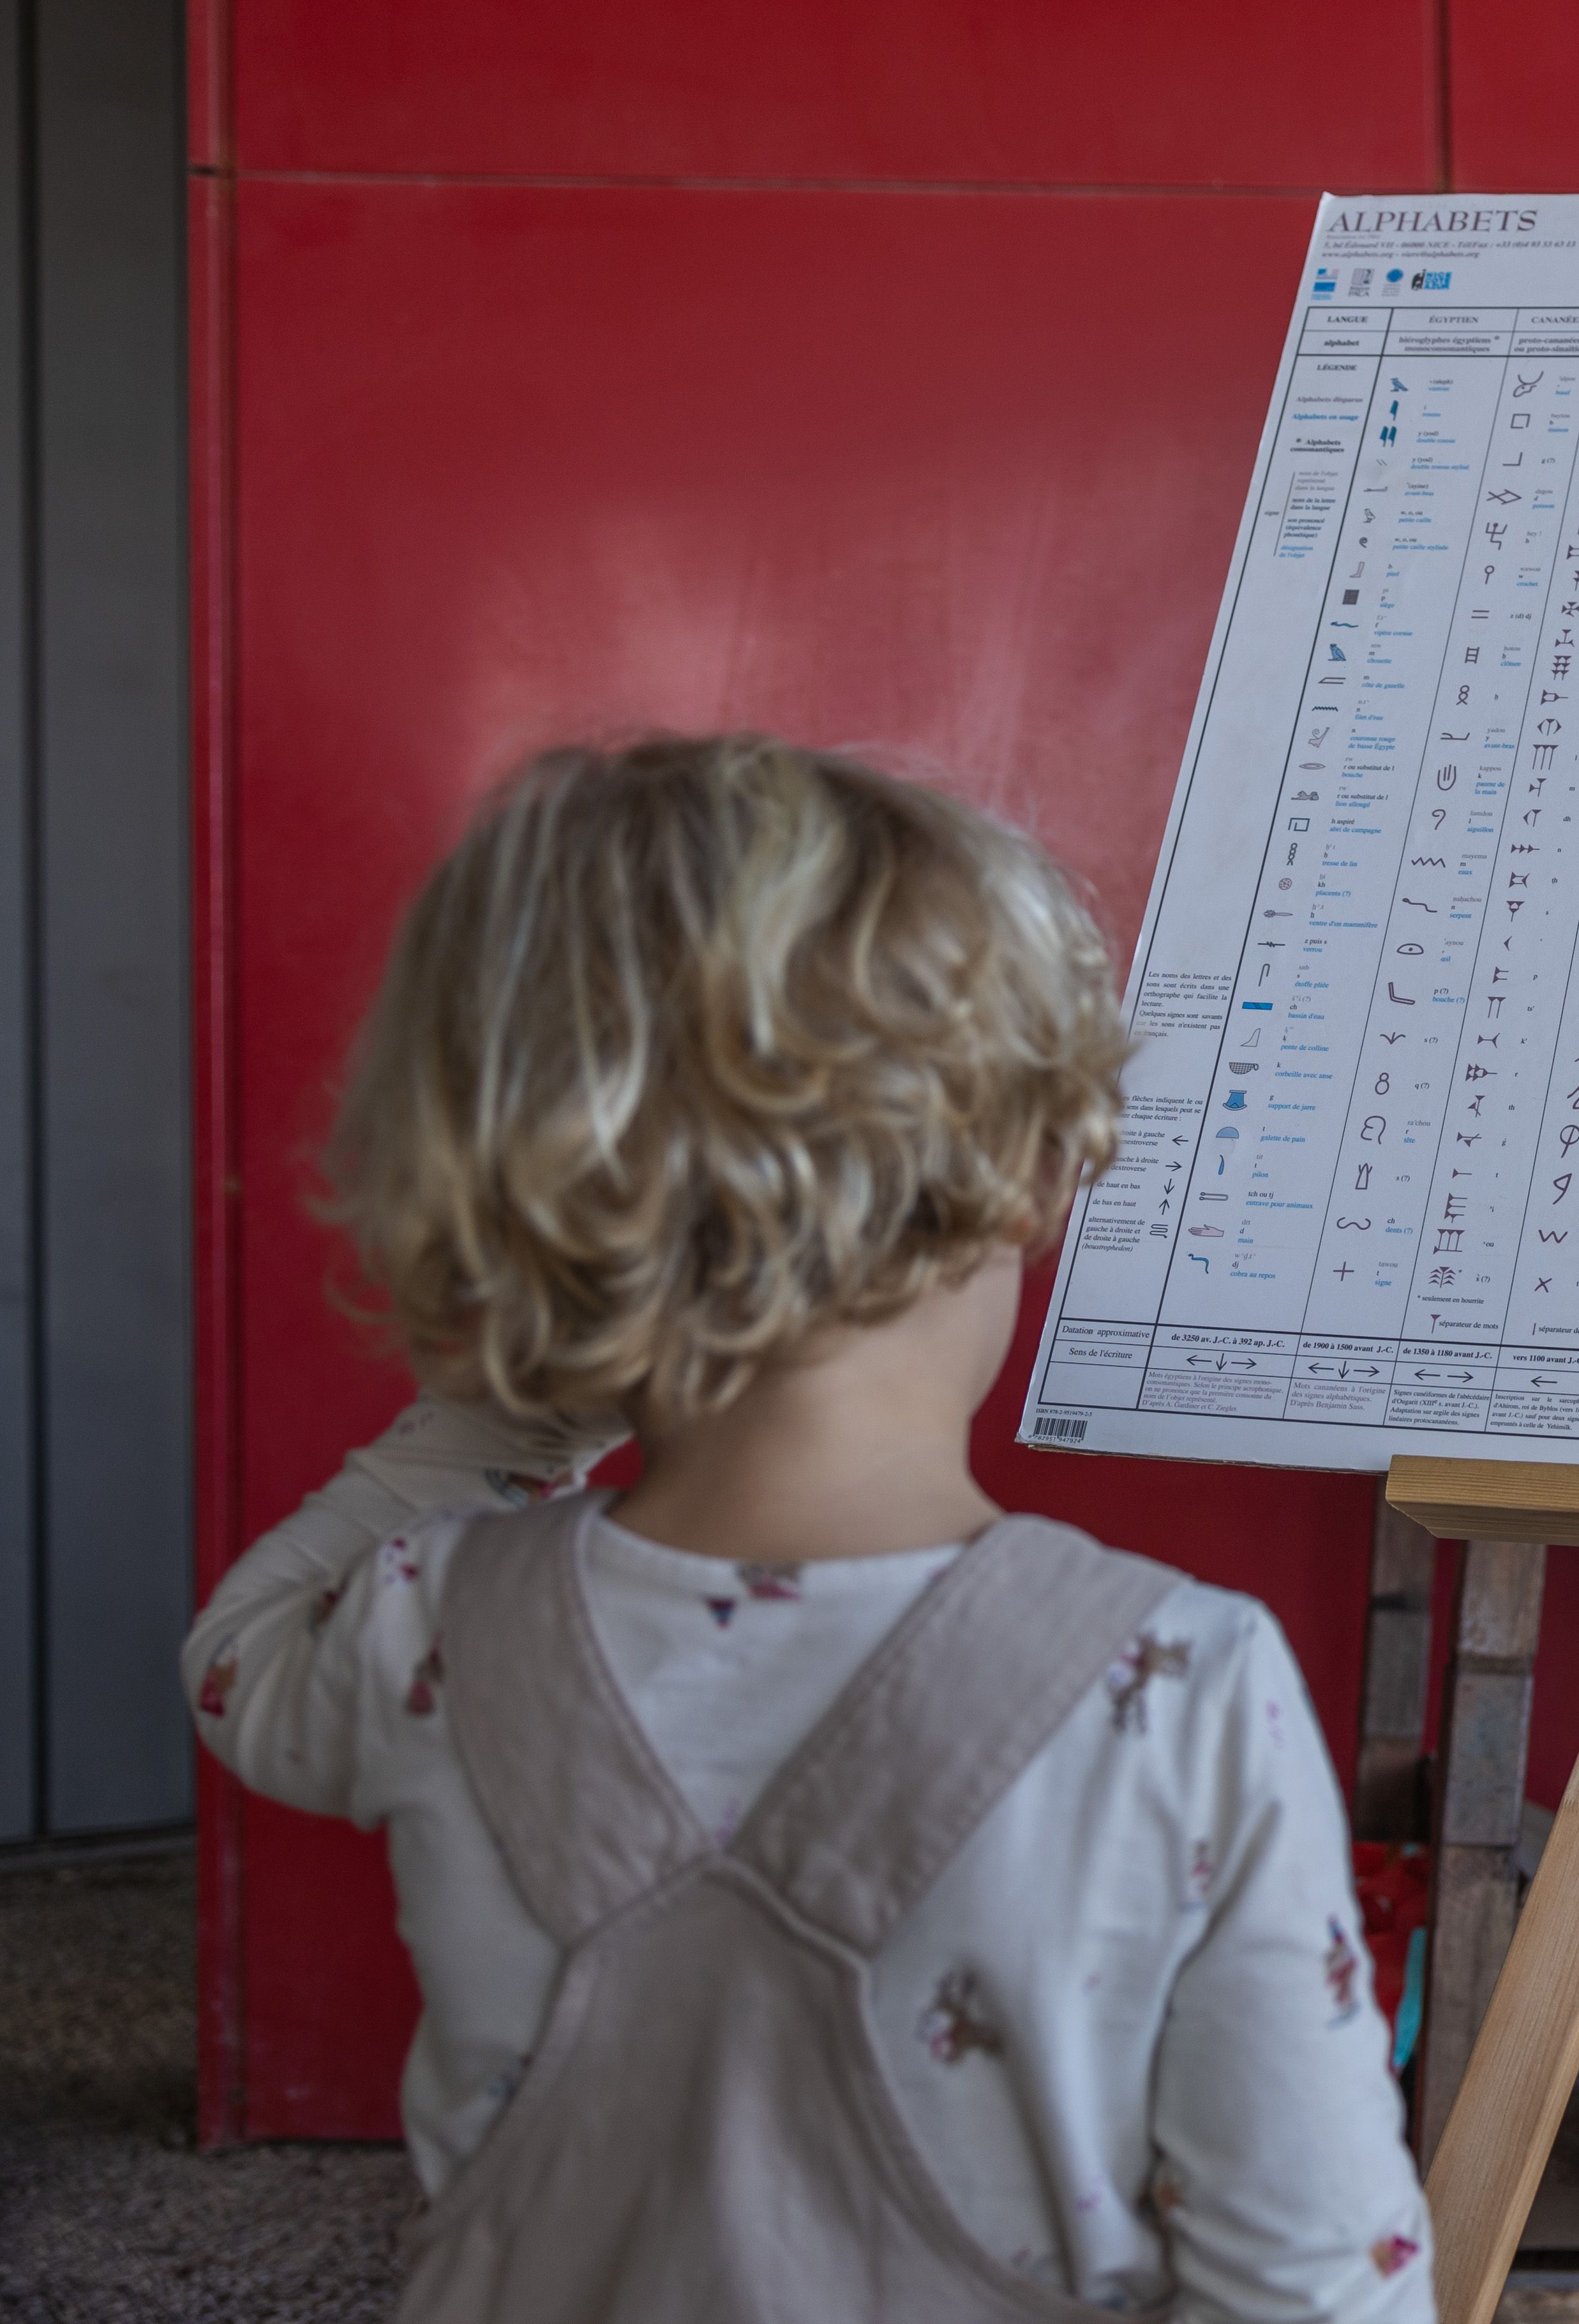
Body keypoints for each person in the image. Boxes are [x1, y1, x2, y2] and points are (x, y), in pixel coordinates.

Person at [184, 734, 1432, 2323]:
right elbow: (1316, 2284)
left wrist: (546, 1398)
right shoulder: (1182, 1681)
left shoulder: (423, 1620)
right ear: (1032, 1171)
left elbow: (235, 1654)